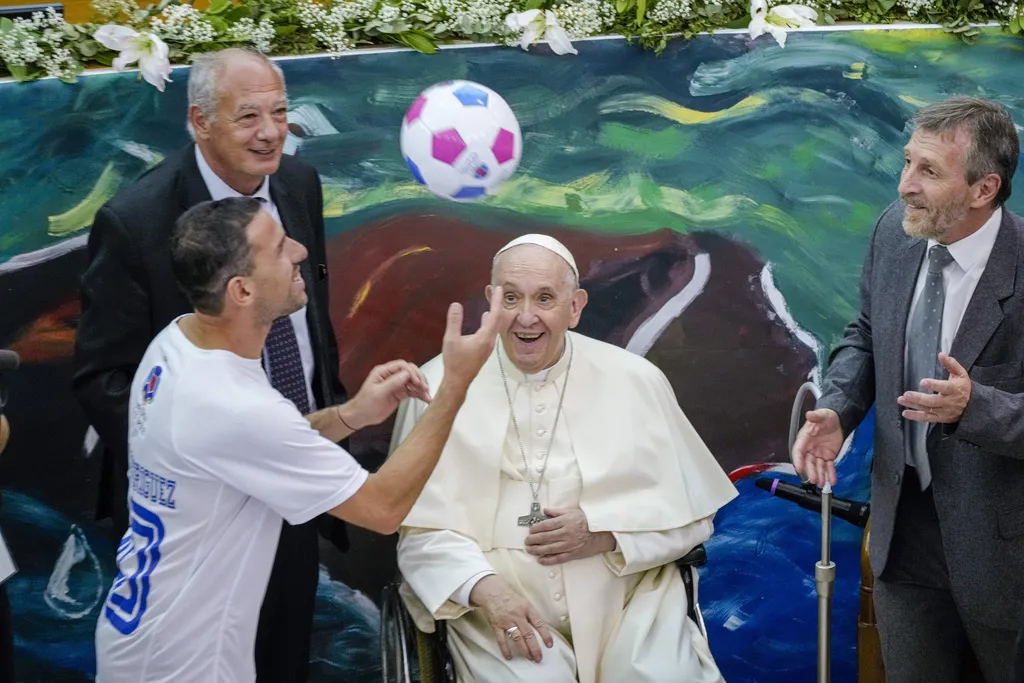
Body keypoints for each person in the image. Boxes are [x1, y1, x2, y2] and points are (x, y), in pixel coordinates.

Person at [94, 197, 511, 682]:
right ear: (242, 290)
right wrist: (456, 384)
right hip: (182, 665)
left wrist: (350, 415)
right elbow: (382, 508)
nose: (298, 249)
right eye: (277, 248)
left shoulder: (177, 343)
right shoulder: (232, 406)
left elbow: (259, 448)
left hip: (146, 641)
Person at [73, 48, 346, 681]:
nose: (271, 131)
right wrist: (196, 459)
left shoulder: (299, 185)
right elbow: (101, 376)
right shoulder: (136, 221)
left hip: (295, 476)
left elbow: (312, 324)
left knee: (283, 656)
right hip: (197, 517)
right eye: (248, 115)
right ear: (199, 121)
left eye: (280, 112)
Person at [390, 234, 738, 683]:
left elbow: (692, 518)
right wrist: (482, 588)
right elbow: (418, 533)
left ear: (574, 307)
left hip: (630, 604)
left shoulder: (637, 381)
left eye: (545, 298)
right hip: (500, 612)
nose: (526, 317)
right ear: (490, 301)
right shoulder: (436, 387)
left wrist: (605, 532)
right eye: (511, 298)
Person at [792, 96, 1024, 683]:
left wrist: (978, 408)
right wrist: (838, 409)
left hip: (1006, 552)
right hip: (902, 532)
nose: (905, 187)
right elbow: (868, 335)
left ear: (983, 188)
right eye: (906, 164)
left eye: (928, 171)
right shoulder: (892, 236)